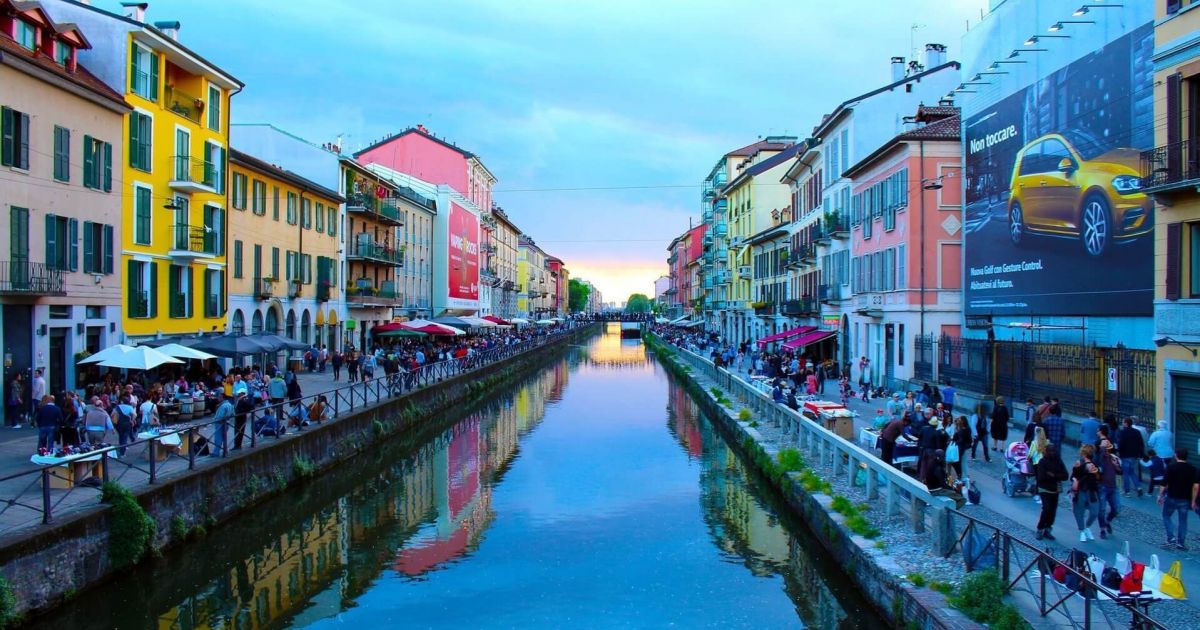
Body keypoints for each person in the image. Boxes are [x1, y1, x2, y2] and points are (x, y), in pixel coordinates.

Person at [1158, 448, 1198, 551]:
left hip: (1172, 497)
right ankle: (1181, 543)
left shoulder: (1171, 467)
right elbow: (1196, 486)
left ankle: (1171, 538)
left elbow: (1164, 483)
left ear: (1176, 456)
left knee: (1166, 515)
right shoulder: (1192, 469)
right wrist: (1193, 501)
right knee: (1183, 521)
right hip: (1185, 499)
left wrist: (1160, 495)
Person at [1034, 444, 1069, 540]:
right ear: (1046, 451)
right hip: (1044, 489)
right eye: (1051, 451)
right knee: (1047, 509)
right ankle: (1040, 528)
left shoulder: (1058, 461)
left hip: (1055, 490)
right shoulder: (1042, 462)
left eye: (1054, 451)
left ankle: (1048, 529)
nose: (1052, 453)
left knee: (1052, 512)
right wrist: (1055, 476)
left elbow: (1065, 475)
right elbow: (1041, 477)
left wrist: (1053, 475)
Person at [1070, 444, 1102, 543]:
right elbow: (1073, 476)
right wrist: (1075, 480)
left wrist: (1095, 472)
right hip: (1081, 490)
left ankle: (1087, 527)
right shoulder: (1079, 463)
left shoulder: (1094, 464)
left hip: (1092, 491)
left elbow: (1099, 478)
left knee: (1094, 511)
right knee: (1079, 511)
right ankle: (1082, 530)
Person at [1095, 440, 1120, 539]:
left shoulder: (1113, 458)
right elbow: (1097, 469)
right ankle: (1102, 529)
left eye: (1107, 448)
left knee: (1116, 508)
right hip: (1102, 487)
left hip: (1113, 486)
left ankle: (1107, 521)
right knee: (1102, 509)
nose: (1105, 450)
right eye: (1103, 448)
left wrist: (1116, 466)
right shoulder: (1098, 459)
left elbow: (1120, 471)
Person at [1116, 417, 1145, 497]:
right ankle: (1138, 487)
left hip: (1125, 455)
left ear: (1126, 423)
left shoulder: (1122, 432)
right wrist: (1141, 454)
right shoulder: (1137, 432)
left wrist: (1118, 451)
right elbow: (1141, 444)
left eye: (1123, 422)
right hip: (1134, 455)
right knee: (1132, 472)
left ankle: (1127, 491)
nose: (1122, 423)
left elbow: (1120, 443)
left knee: (1125, 473)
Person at [209, 392, 234, 458]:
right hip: (226, 423)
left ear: (223, 398)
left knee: (218, 439)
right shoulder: (230, 404)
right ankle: (225, 450)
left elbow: (220, 416)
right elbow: (233, 414)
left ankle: (216, 453)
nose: (218, 398)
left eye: (219, 397)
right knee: (224, 438)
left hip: (220, 423)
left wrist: (215, 419)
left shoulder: (223, 406)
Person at [950, 416, 972, 480]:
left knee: (961, 462)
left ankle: (964, 476)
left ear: (962, 421)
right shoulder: (959, 428)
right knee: (959, 462)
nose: (958, 421)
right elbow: (955, 437)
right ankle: (962, 475)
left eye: (959, 419)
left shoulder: (966, 429)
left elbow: (964, 440)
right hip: (959, 447)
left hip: (962, 448)